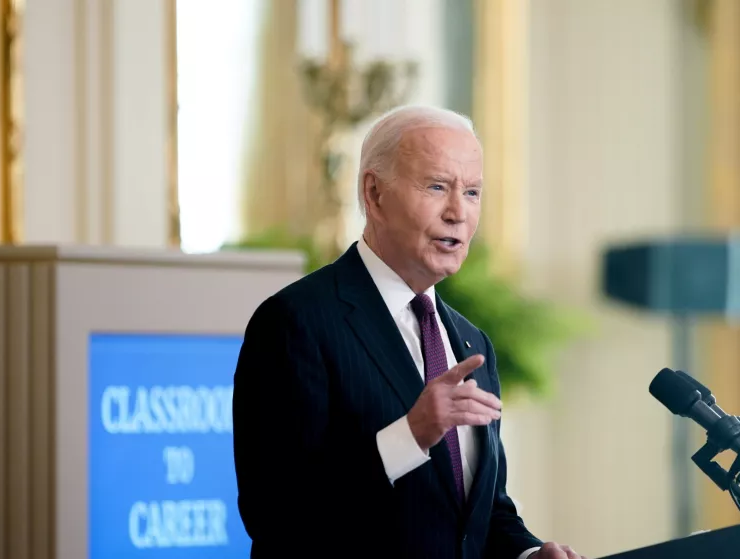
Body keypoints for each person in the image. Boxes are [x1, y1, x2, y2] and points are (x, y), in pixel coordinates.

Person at [232, 105, 585, 558]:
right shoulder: (296, 322)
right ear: (374, 194)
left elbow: (477, 512)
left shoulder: (471, 343)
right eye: (437, 187)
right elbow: (276, 514)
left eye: (473, 192)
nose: (458, 212)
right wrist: (410, 434)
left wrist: (529, 554)